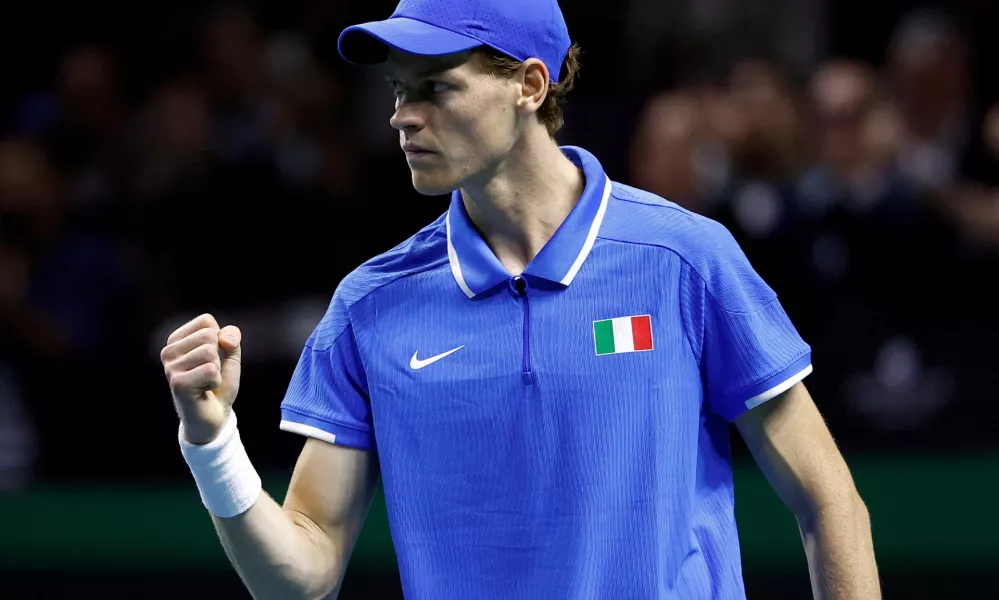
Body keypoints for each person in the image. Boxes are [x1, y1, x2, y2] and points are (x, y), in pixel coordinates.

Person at [159, 1, 880, 598]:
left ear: (529, 86)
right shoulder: (368, 307)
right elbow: (302, 574)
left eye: (435, 88)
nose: (402, 117)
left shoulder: (684, 261)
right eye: (397, 91)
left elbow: (828, 501)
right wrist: (212, 442)